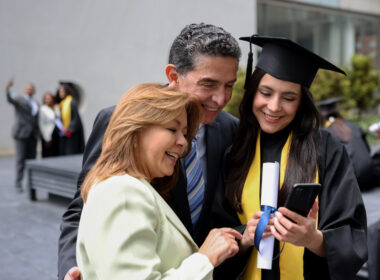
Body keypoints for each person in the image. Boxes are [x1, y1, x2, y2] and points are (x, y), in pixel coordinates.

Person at [58, 23, 241, 280]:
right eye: (209, 84)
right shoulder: (120, 121)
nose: (221, 99)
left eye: (229, 85)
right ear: (174, 75)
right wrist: (73, 268)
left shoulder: (231, 128)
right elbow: (84, 206)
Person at [212, 35, 368, 279]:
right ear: (252, 93)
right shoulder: (235, 152)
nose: (274, 107)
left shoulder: (326, 150)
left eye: (288, 98)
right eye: (266, 93)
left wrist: (313, 239)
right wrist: (245, 236)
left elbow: (352, 235)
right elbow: (215, 228)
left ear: (301, 103)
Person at [76, 83, 241, 279]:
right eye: (172, 129)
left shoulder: (133, 186)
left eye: (185, 133)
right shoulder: (123, 192)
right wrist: (206, 258)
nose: (183, 142)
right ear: (134, 132)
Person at [317, 97, 377, 190]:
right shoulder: (354, 126)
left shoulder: (325, 133)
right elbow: (367, 150)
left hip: (353, 182)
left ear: (323, 117)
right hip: (371, 176)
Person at [5, 79, 39, 192]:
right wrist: (8, 89)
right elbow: (10, 99)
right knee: (20, 159)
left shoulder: (35, 103)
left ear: (33, 91)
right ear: (25, 90)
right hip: (21, 134)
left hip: (32, 136)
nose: (29, 90)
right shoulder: (19, 99)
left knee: (32, 160)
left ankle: (31, 183)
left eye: (31, 88)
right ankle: (18, 183)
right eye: (27, 88)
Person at [57, 82, 85, 155]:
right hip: (64, 132)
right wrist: (62, 127)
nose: (60, 93)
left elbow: (76, 118)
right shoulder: (62, 103)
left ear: (67, 91)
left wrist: (68, 128)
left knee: (70, 151)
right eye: (59, 92)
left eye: (62, 91)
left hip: (72, 133)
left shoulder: (72, 102)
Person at [39, 92, 60, 157]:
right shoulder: (43, 109)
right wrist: (47, 138)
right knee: (49, 154)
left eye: (49, 98)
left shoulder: (56, 107)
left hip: (57, 134)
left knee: (57, 153)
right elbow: (42, 124)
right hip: (48, 135)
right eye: (46, 99)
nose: (48, 100)